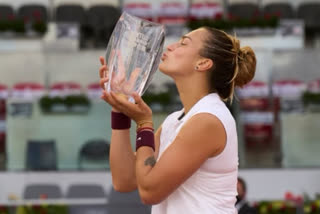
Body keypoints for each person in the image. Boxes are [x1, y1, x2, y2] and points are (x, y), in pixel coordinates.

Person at [99, 27, 256, 214]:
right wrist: (120, 109)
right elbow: (124, 180)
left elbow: (149, 191)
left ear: (203, 63)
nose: (171, 47)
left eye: (183, 43)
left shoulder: (208, 119)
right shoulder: (176, 119)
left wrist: (144, 124)